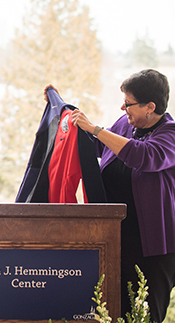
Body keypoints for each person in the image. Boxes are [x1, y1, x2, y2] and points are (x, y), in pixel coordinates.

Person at [46, 69, 175, 322]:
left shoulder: (170, 134)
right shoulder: (125, 126)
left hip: (153, 249)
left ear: (150, 106)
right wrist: (63, 112)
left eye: (128, 103)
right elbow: (96, 144)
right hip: (116, 241)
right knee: (113, 313)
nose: (122, 108)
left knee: (146, 316)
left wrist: (95, 129)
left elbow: (143, 156)